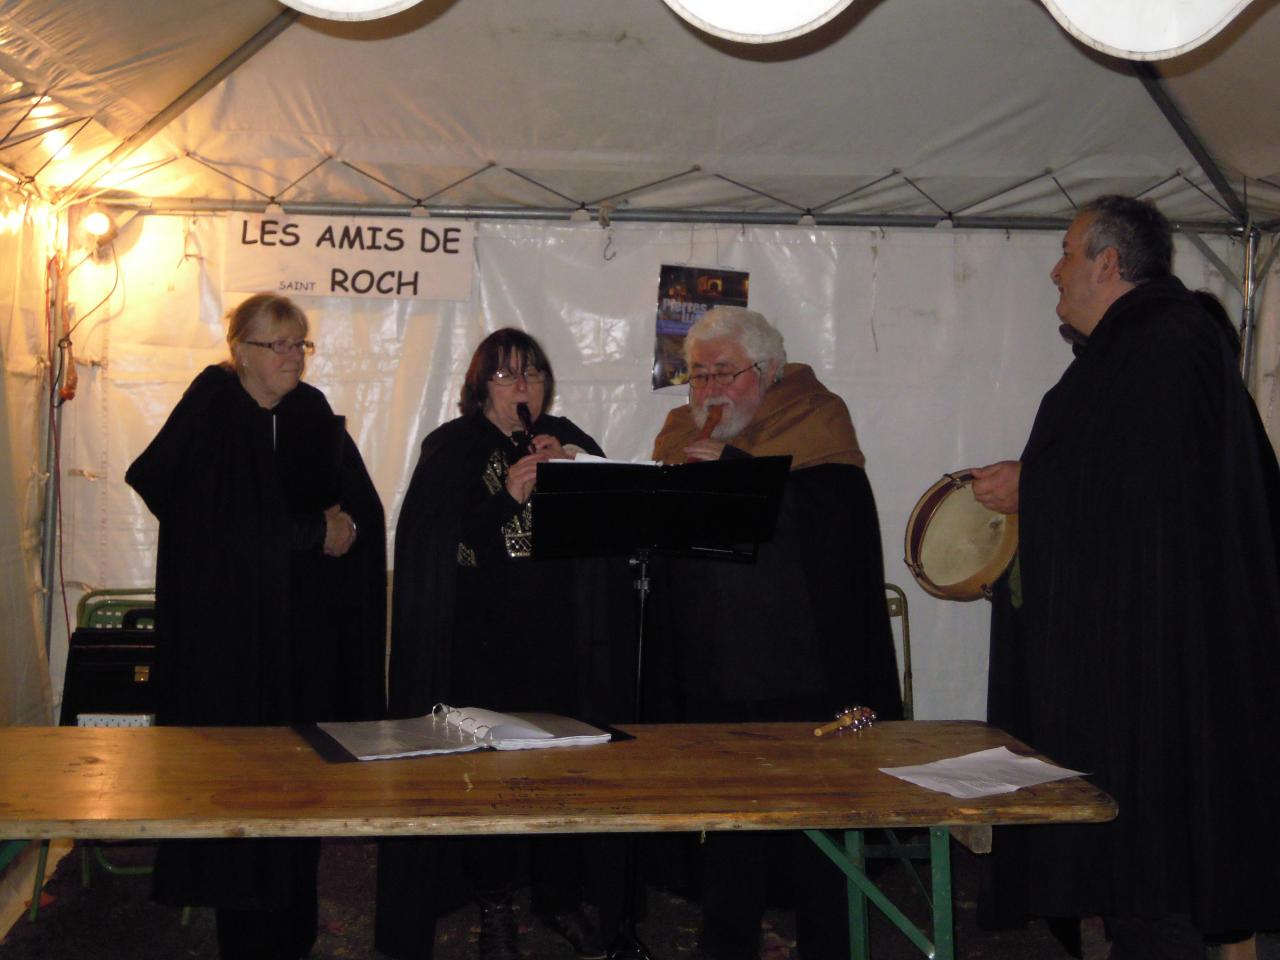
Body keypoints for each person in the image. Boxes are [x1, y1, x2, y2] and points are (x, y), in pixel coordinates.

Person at [973, 196, 1280, 960]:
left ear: (1109, 263)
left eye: (1069, 251)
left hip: (1162, 665)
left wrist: (1033, 485)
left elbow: (1149, 490)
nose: (1057, 268)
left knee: (1158, 864)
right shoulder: (1140, 350)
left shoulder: (1167, 343)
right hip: (1134, 658)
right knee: (1136, 870)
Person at [125, 293, 387, 960]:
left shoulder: (308, 412)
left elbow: (357, 503)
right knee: (239, 797)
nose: (293, 356)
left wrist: (347, 525)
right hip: (228, 646)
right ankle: (244, 939)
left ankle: (296, 928)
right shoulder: (212, 409)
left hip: (300, 641)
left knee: (297, 791)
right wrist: (307, 530)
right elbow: (207, 521)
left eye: (300, 343)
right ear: (241, 350)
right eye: (279, 344)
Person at [649, 306, 904, 960]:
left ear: (766, 371)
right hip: (718, 665)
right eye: (698, 375)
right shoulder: (680, 431)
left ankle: (828, 945)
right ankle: (726, 941)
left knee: (815, 822)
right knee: (730, 824)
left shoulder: (817, 417)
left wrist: (738, 472)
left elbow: (834, 524)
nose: (708, 390)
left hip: (804, 670)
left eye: (724, 373)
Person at [375, 328, 629, 960]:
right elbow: (443, 548)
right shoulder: (454, 448)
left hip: (560, 644)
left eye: (533, 374)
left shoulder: (570, 441)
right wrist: (506, 497)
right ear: (480, 387)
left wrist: (578, 473)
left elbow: (613, 535)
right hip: (481, 647)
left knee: (561, 773)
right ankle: (494, 903)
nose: (523, 387)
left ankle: (560, 897)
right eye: (507, 375)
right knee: (488, 779)